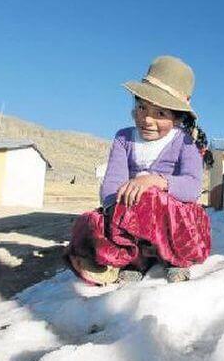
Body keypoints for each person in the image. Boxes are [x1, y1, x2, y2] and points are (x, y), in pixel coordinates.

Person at [67, 55, 212, 284]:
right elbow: (112, 183)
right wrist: (116, 211)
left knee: (152, 197)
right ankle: (135, 260)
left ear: (177, 118)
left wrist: (154, 181)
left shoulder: (185, 142)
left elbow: (193, 187)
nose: (147, 119)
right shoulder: (123, 138)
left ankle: (173, 258)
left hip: (175, 224)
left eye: (160, 113)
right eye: (142, 107)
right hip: (133, 216)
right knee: (92, 221)